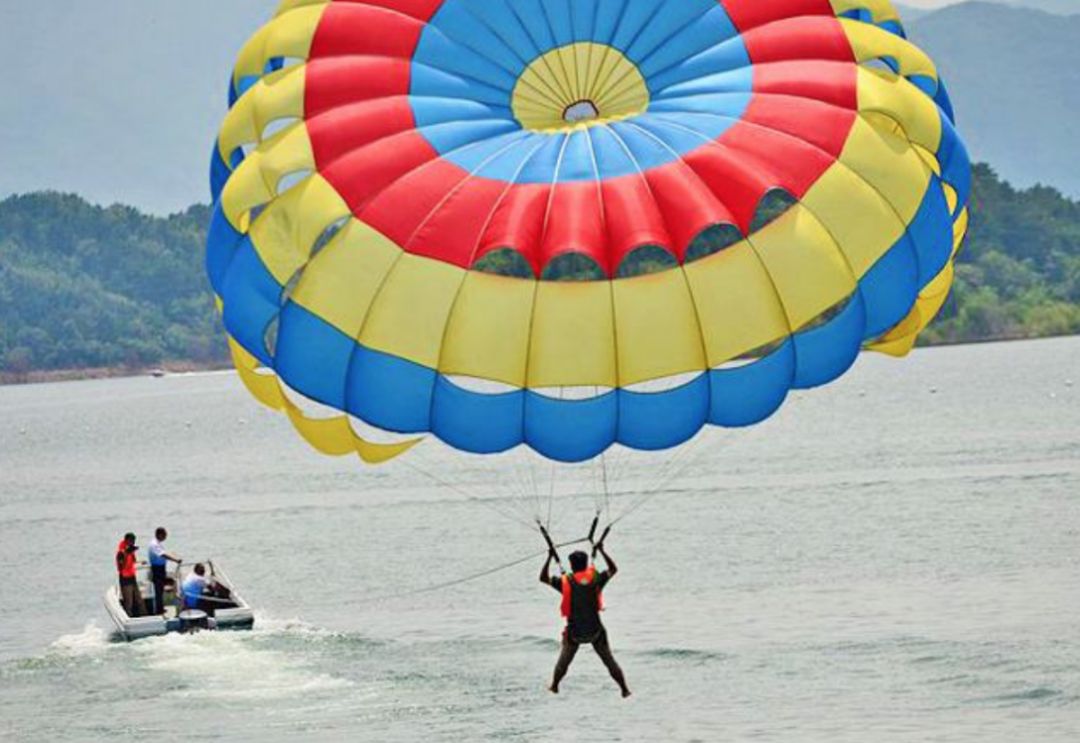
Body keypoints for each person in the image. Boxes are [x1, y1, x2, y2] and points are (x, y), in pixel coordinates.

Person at [540, 543, 631, 698]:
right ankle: (624, 689)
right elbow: (613, 569)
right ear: (586, 563)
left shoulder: (565, 583)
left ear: (572, 566)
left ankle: (555, 685)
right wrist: (602, 550)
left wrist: (549, 558)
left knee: (563, 662)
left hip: (575, 634)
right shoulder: (596, 579)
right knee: (609, 661)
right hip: (596, 631)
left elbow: (543, 578)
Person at [147, 527, 182, 615]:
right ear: (160, 534)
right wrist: (175, 560)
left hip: (161, 568)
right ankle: (159, 611)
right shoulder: (154, 544)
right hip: (157, 569)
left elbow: (163, 552)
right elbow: (163, 555)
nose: (165, 537)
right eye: (165, 535)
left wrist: (173, 554)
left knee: (161, 589)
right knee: (158, 590)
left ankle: (161, 608)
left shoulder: (158, 543)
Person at [115, 533, 143, 617]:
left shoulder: (131, 551)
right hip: (125, 579)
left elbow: (133, 561)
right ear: (127, 540)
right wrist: (126, 554)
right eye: (132, 541)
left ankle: (143, 615)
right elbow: (121, 566)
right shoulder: (121, 552)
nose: (133, 542)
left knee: (139, 599)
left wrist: (140, 561)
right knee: (129, 601)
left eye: (134, 541)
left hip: (132, 577)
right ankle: (128, 617)